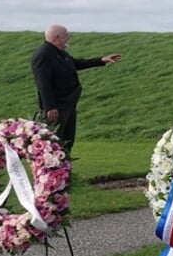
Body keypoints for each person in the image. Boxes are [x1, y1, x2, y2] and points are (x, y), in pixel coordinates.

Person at [29, 24, 121, 158]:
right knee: (54, 142)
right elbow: (43, 84)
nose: (68, 38)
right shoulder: (43, 55)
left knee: (66, 141)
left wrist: (101, 60)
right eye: (66, 35)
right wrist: (50, 107)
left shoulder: (59, 53)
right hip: (57, 107)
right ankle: (51, 173)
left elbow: (77, 63)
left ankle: (64, 171)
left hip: (68, 104)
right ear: (57, 37)